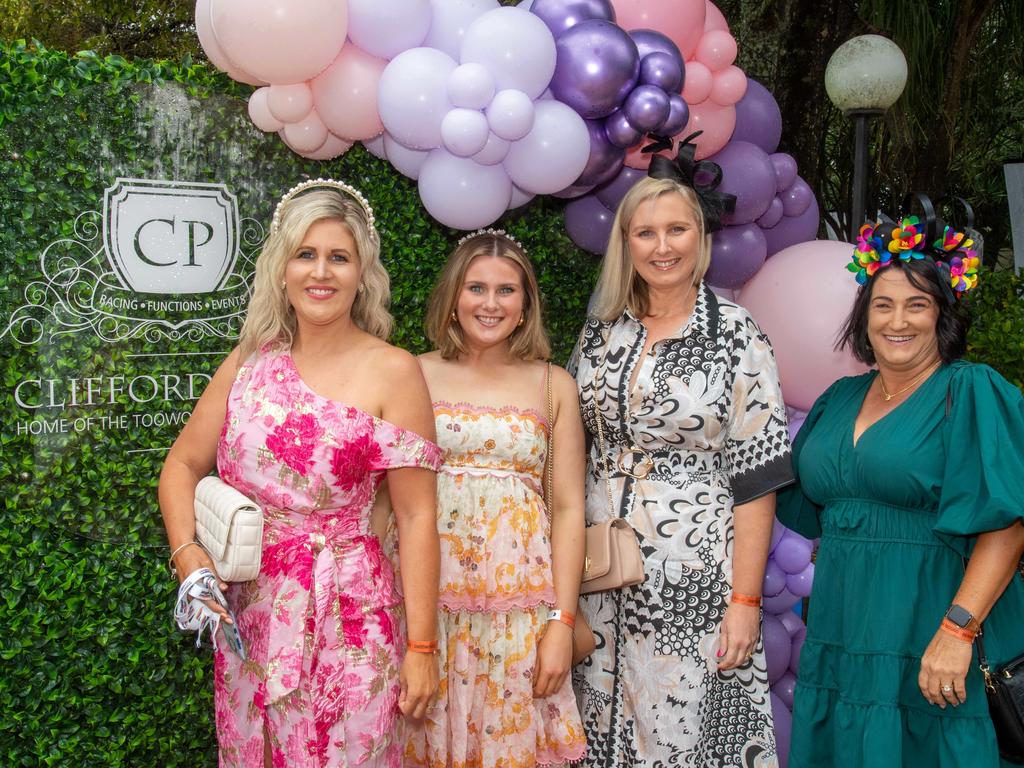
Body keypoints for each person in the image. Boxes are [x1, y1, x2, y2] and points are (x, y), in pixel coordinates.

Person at [159, 180, 442, 768]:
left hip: (352, 620)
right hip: (251, 614)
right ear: (281, 269)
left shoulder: (395, 372)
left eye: (339, 257)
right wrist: (187, 556)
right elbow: (182, 465)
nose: (322, 272)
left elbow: (416, 517)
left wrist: (421, 646)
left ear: (362, 272)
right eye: (305, 254)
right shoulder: (250, 360)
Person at [569, 137, 793, 767]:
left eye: (676, 230)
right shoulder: (600, 331)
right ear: (625, 243)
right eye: (645, 233)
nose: (662, 246)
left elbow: (756, 477)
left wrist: (745, 603)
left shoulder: (733, 333)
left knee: (680, 731)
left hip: (690, 576)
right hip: (596, 572)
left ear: (701, 238)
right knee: (595, 724)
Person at [778, 210, 1024, 768]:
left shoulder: (969, 392)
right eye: (884, 305)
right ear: (864, 317)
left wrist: (957, 633)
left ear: (942, 316)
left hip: (935, 626)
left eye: (918, 305)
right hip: (845, 630)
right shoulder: (837, 398)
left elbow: (1007, 527)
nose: (899, 321)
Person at [404, 229, 588, 767]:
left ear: (525, 303)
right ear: (453, 298)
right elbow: (389, 497)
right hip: (424, 604)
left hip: (519, 614)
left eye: (506, 290)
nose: (490, 303)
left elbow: (571, 508)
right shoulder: (413, 372)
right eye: (476, 288)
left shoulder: (554, 385)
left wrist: (562, 622)